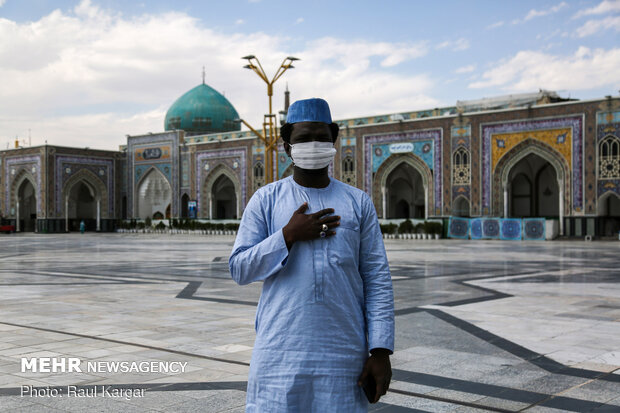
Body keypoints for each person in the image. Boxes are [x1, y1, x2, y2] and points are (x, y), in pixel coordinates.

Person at [229, 98, 394, 412]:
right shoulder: (266, 200)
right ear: (287, 144)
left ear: (333, 138)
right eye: (303, 138)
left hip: (343, 350)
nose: (313, 145)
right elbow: (239, 269)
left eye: (320, 137)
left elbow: (377, 279)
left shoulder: (357, 202)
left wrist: (381, 350)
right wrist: (288, 235)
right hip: (280, 349)